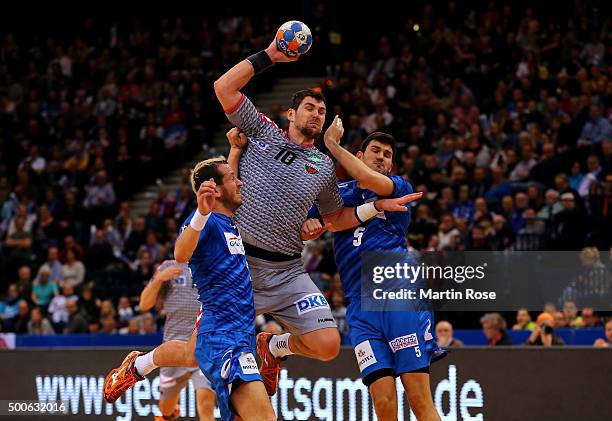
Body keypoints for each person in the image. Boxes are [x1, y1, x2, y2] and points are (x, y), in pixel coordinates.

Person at [213, 38, 419, 395]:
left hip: (289, 270)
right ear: (291, 115)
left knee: (327, 345)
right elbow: (224, 87)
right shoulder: (262, 131)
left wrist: (376, 207)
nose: (316, 115)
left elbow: (336, 218)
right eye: (309, 108)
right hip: (241, 263)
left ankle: (274, 347)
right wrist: (272, 56)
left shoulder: (325, 167)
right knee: (196, 353)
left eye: (321, 112)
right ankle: (142, 364)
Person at [104, 157, 275, 421]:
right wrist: (201, 213)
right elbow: (181, 253)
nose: (240, 181)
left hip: (234, 331)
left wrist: (236, 149)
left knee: (191, 355)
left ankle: (137, 365)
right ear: (215, 190)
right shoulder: (204, 220)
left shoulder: (229, 220)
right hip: (223, 336)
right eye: (233, 178)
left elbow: (225, 178)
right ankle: (138, 367)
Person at [304, 129, 445, 420]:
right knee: (382, 400)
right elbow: (308, 220)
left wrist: (331, 145)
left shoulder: (398, 186)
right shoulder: (336, 195)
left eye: (387, 155)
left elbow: (368, 179)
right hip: (359, 307)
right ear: (359, 156)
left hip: (397, 297)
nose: (381, 157)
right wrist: (307, 226)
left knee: (418, 397)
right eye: (376, 151)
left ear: (391, 166)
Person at [138, 261, 215, 421]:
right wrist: (159, 279)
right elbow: (144, 304)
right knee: (166, 408)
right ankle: (168, 414)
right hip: (173, 350)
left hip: (201, 345)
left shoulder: (212, 263)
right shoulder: (169, 266)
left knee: (206, 403)